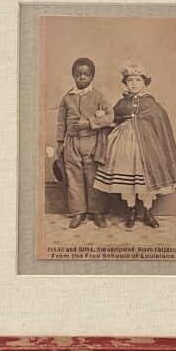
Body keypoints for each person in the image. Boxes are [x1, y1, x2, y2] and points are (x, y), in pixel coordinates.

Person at [94, 61, 176, 229]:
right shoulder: (122, 103)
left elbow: (160, 125)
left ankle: (147, 211)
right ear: (125, 83)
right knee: (127, 180)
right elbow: (112, 118)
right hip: (123, 147)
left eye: (138, 80)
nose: (134, 83)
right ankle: (131, 210)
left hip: (146, 149)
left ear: (145, 83)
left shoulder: (151, 104)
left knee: (144, 180)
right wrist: (104, 118)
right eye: (130, 80)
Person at [56, 57, 114, 228]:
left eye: (86, 74)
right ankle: (78, 212)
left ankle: (96, 211)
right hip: (71, 143)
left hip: (91, 142)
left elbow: (110, 117)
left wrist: (90, 122)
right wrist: (60, 142)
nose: (82, 77)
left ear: (92, 76)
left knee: (92, 177)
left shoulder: (98, 96)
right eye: (78, 74)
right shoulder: (67, 97)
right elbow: (61, 121)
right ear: (73, 76)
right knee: (74, 178)